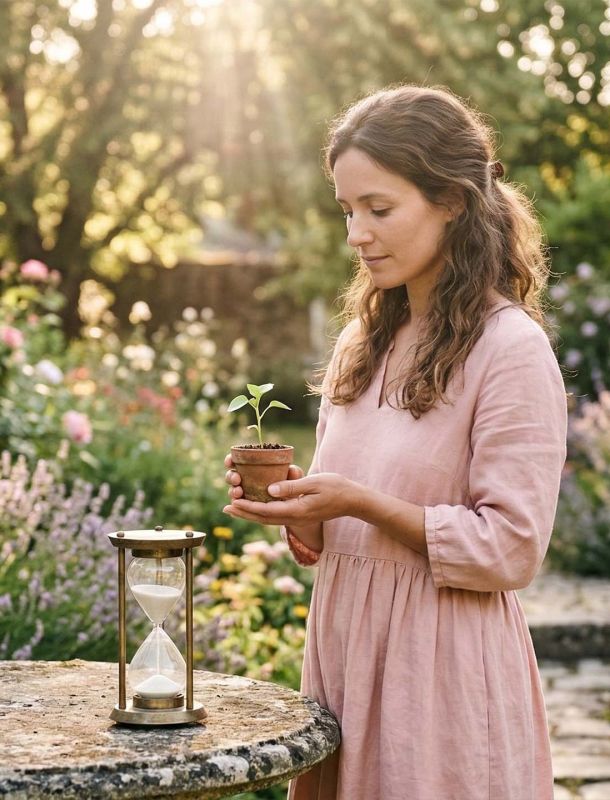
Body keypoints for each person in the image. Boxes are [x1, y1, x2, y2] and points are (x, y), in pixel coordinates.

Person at [222, 85, 567, 800]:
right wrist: (306, 513)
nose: (357, 234)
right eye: (348, 211)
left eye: (379, 209)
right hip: (346, 661)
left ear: (453, 201)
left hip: (438, 677)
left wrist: (364, 502)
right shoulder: (362, 344)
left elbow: (511, 547)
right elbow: (345, 523)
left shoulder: (510, 350)